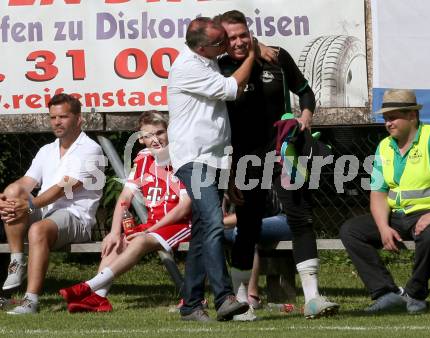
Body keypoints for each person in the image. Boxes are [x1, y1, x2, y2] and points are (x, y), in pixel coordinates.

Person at [216, 10, 339, 320]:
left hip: (286, 153)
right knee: (248, 227)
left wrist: (305, 117)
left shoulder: (278, 57)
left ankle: (313, 298)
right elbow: (218, 124)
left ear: (250, 32)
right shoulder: (219, 69)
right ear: (222, 41)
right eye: (231, 37)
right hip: (245, 158)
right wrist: (228, 169)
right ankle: (242, 301)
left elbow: (306, 93)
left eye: (244, 34)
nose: (239, 41)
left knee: (301, 217)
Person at [166, 17, 257, 322]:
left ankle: (191, 304)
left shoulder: (207, 59)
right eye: (221, 42)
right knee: (215, 222)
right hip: (194, 158)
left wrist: (228, 170)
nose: (227, 47)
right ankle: (224, 297)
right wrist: (254, 53)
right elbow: (232, 88)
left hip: (215, 159)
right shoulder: (187, 67)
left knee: (204, 230)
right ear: (203, 46)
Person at [59, 111, 192, 313]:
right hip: (156, 224)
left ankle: (88, 287)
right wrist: (113, 232)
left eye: (160, 133)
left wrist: (149, 231)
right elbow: (125, 197)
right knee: (116, 243)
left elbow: (185, 207)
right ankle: (99, 299)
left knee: (139, 240)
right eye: (149, 135)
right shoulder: (143, 159)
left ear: (169, 132)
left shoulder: (182, 158)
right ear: (141, 139)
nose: (155, 140)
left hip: (182, 223)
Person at [0, 93, 104, 314]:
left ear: (78, 119)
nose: (57, 122)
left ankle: (31, 301)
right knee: (11, 192)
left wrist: (29, 205)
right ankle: (17, 261)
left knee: (38, 229)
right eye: (53, 117)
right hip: (46, 213)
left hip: (76, 217)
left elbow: (65, 187)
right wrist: (7, 198)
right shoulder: (46, 150)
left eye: (63, 117)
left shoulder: (91, 149)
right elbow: (26, 183)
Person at [340, 89, 430, 314]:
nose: (388, 123)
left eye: (393, 117)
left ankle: (415, 294)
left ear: (412, 116)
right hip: (397, 217)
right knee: (350, 231)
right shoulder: (384, 146)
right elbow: (378, 192)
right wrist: (384, 227)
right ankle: (385, 293)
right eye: (385, 118)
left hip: (429, 214)